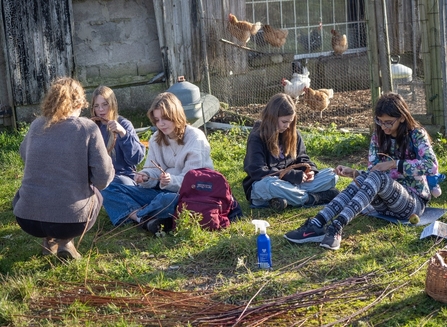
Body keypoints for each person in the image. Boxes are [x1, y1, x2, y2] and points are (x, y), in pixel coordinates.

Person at [284, 92, 440, 250]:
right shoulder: (378, 137)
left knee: (375, 177)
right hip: (384, 204)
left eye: (389, 122)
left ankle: (337, 226)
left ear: (401, 117)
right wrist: (354, 173)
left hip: (411, 204)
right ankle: (317, 223)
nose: (384, 127)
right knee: (364, 179)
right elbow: (372, 174)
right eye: (380, 121)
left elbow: (431, 165)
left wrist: (394, 164)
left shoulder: (416, 135)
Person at [12, 77, 114, 259]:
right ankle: (66, 242)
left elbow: (23, 154)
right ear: (80, 103)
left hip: (27, 219)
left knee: (30, 193)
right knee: (96, 194)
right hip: (71, 221)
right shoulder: (87, 128)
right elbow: (102, 179)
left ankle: (49, 239)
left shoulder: (37, 124)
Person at [101, 92, 214, 232]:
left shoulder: (195, 138)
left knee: (165, 200)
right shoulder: (156, 138)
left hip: (186, 196)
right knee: (108, 189)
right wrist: (145, 176)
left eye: (165, 119)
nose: (161, 124)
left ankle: (134, 213)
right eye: (157, 120)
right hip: (159, 192)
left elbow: (194, 181)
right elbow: (152, 167)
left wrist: (170, 181)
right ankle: (143, 219)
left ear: (176, 115)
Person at [242, 93, 339, 211]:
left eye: (290, 122)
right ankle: (313, 199)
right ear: (272, 117)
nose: (287, 126)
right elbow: (258, 171)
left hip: (292, 184)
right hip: (266, 184)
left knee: (331, 174)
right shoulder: (257, 136)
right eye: (284, 121)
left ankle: (283, 199)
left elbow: (303, 158)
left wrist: (310, 171)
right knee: (270, 185)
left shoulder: (292, 133)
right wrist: (289, 175)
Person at [90, 85, 146, 185]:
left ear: (112, 104)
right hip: (100, 178)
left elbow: (136, 159)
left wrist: (123, 133)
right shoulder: (91, 127)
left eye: (105, 104)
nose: (101, 109)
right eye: (96, 106)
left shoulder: (124, 124)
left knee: (119, 182)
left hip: (123, 177)